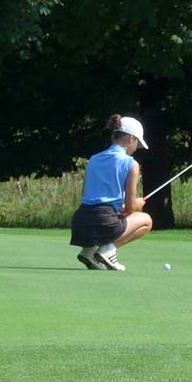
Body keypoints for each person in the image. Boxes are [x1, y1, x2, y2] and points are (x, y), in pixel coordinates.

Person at [70, 114, 153, 271]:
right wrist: (138, 203)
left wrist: (117, 206)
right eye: (137, 143)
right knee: (146, 220)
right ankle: (108, 250)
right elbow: (130, 207)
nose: (137, 148)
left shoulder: (94, 159)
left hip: (80, 222)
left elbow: (88, 197)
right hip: (103, 221)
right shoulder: (131, 163)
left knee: (115, 216)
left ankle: (89, 251)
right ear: (131, 138)